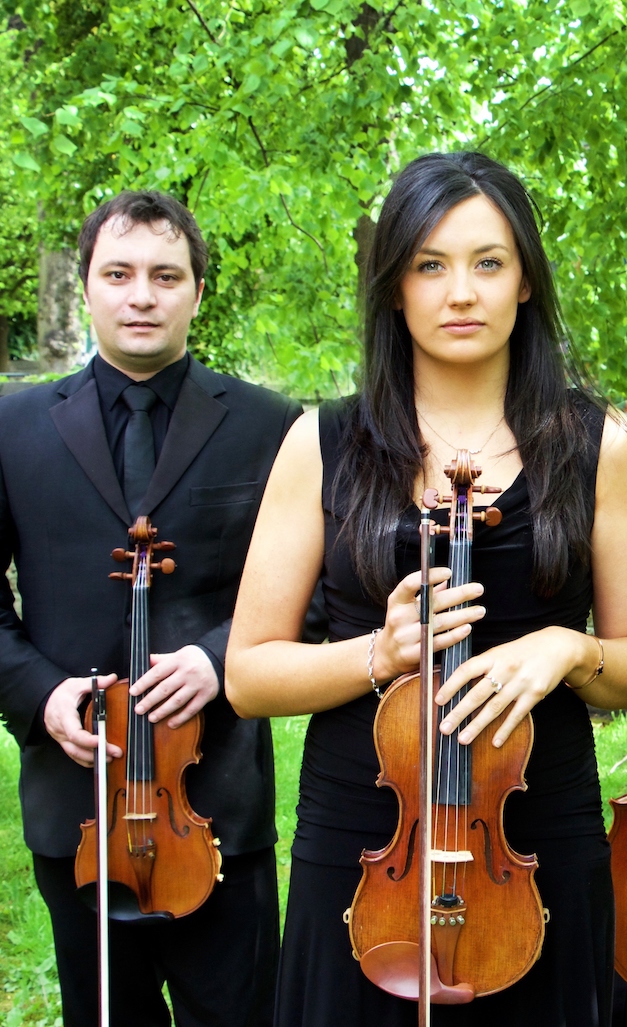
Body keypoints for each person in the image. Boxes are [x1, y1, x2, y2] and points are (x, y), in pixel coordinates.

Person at [225, 151, 627, 1027]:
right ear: (395, 288)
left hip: (537, 835)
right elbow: (248, 674)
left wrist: (570, 649)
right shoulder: (323, 442)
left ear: (527, 283)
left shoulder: (599, 445)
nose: (460, 291)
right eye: (430, 265)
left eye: (488, 262)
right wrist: (376, 653)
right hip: (367, 833)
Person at [0, 191, 299, 1026]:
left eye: (166, 275)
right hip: (78, 807)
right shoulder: (11, 425)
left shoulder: (270, 426)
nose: (142, 295)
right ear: (87, 287)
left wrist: (218, 656)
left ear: (198, 291)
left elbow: (315, 587)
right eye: (119, 273)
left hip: (219, 806)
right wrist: (40, 691)